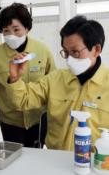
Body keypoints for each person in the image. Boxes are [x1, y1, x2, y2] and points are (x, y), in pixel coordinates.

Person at [6, 15, 109, 150]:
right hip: (55, 158)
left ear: (96, 49)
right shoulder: (55, 79)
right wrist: (14, 79)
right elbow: (23, 100)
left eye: (75, 52)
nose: (69, 59)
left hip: (96, 164)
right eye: (66, 52)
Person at [0, 3, 56, 147]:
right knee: (13, 156)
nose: (11, 35)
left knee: (35, 155)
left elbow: (53, 79)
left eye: (16, 29)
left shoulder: (42, 50)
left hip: (37, 117)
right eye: (6, 31)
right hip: (10, 119)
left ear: (27, 28)